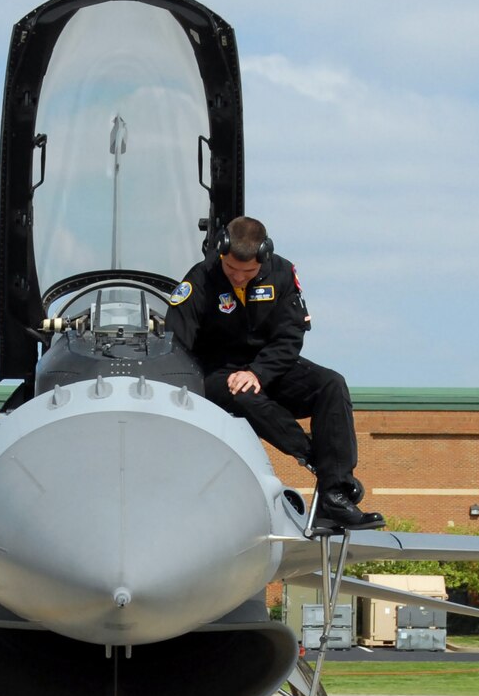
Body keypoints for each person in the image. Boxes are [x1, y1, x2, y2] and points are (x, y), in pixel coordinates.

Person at [164, 216, 382, 530]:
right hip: (216, 372)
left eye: (248, 272)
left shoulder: (281, 274)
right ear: (222, 254)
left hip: (267, 366)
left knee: (331, 384)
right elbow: (177, 346)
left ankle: (334, 497)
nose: (238, 277)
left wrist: (258, 371)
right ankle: (315, 457)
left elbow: (290, 335)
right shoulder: (199, 280)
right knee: (244, 393)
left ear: (263, 258)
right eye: (231, 270)